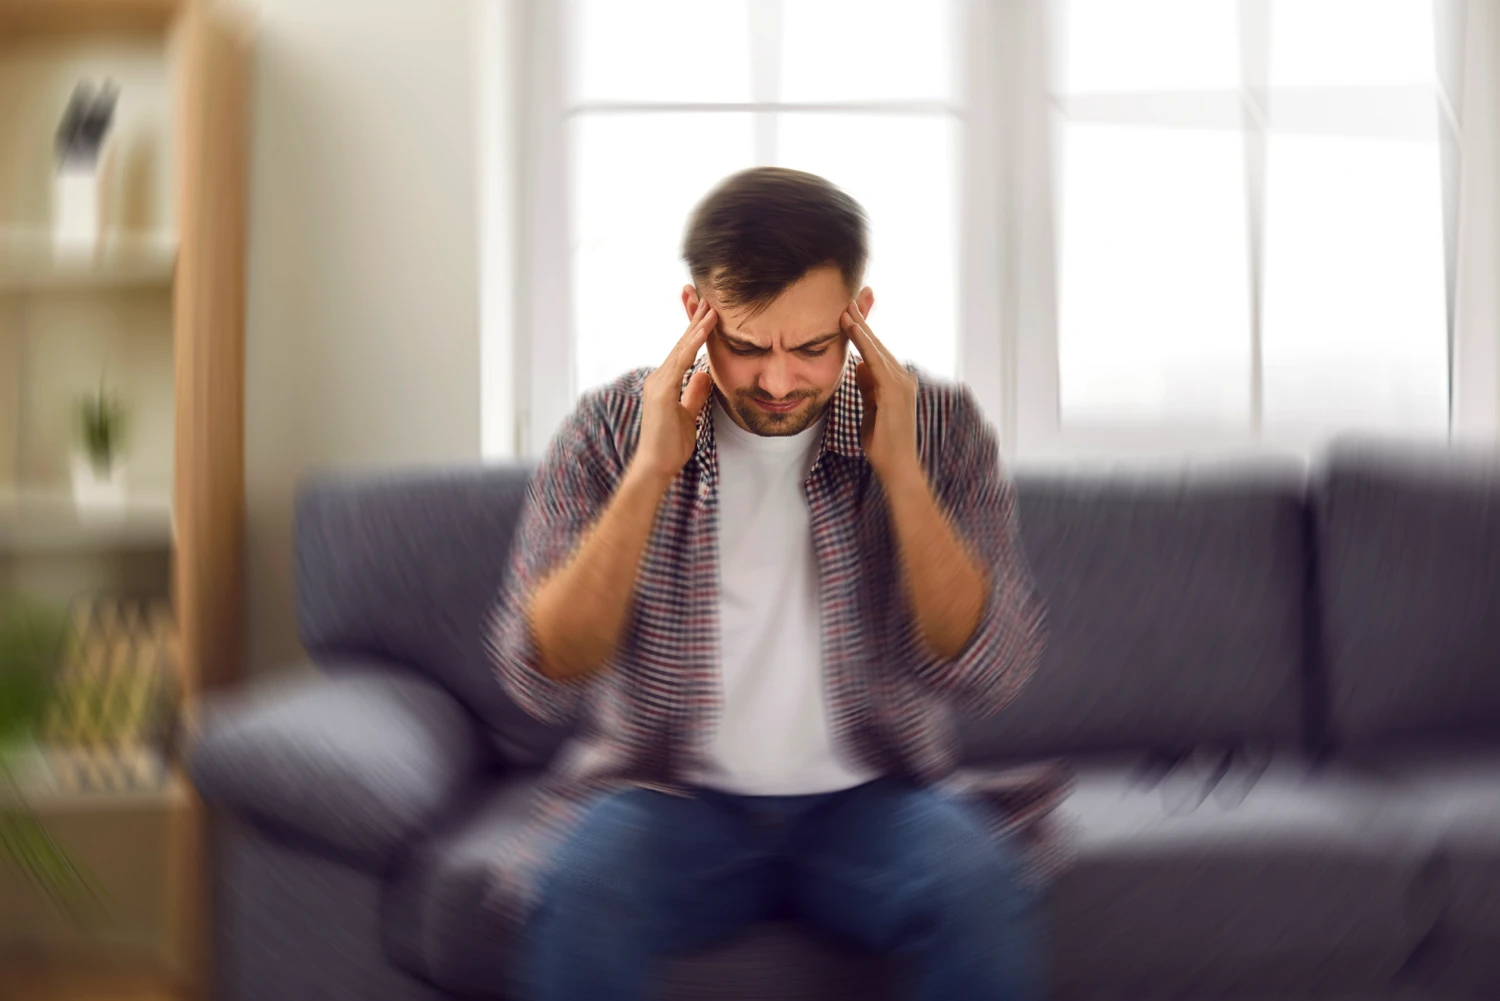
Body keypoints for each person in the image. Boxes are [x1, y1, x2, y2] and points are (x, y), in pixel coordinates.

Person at [488, 167, 1068, 1001]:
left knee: (976, 887)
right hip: (669, 800)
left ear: (857, 318)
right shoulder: (608, 430)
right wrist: (651, 471)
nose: (778, 380)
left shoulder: (940, 427)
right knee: (581, 894)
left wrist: (901, 472)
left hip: (875, 801)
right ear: (696, 315)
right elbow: (542, 670)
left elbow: (992, 669)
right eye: (747, 344)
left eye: (811, 347)